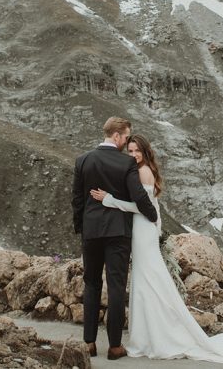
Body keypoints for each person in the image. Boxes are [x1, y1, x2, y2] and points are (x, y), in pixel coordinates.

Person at [90, 134, 223, 364]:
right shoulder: (145, 170)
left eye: (137, 151)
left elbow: (142, 207)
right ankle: (152, 334)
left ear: (145, 152)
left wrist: (109, 199)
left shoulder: (143, 172)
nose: (133, 155)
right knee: (148, 280)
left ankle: (153, 337)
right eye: (130, 151)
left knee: (147, 281)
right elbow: (154, 207)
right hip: (146, 231)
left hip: (143, 230)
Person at [72, 117, 159, 360]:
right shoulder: (126, 163)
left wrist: (82, 227)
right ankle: (114, 347)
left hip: (91, 232)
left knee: (91, 283)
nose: (125, 143)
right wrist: (153, 216)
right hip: (118, 232)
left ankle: (89, 343)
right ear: (118, 135)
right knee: (116, 286)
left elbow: (77, 199)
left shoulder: (83, 160)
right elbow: (139, 195)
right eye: (125, 137)